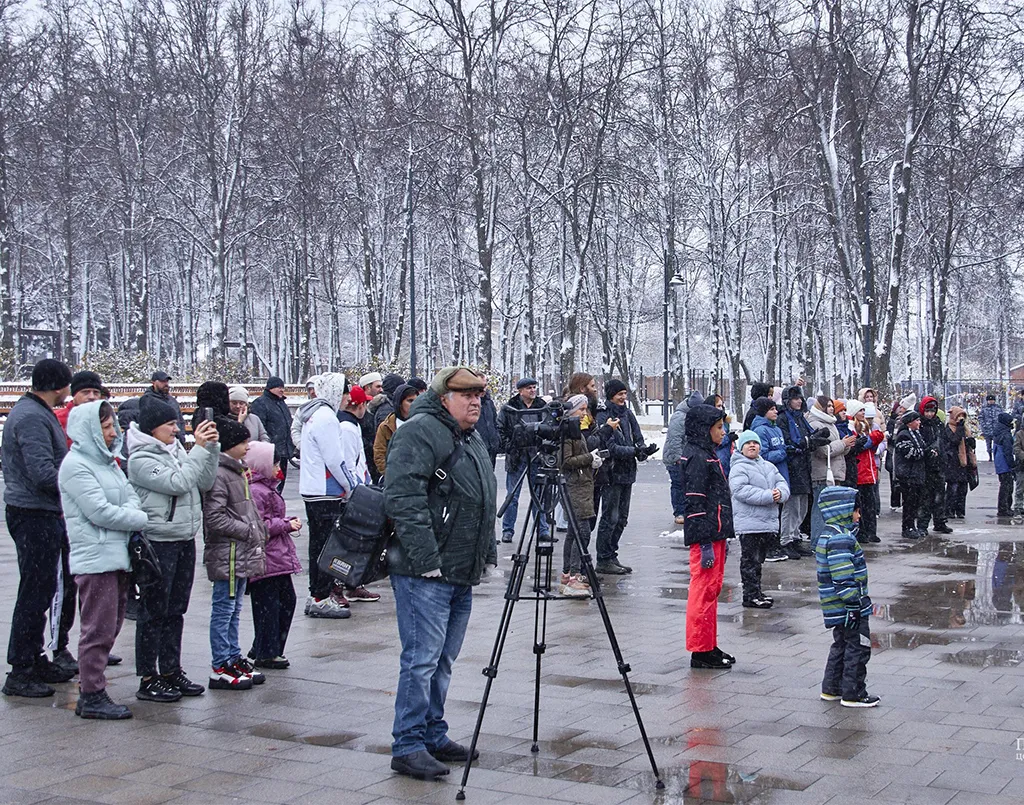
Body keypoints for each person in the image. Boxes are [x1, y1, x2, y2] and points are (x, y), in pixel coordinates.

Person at [384, 366, 497, 780]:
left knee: (442, 660)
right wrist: (426, 559)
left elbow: (483, 499)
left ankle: (433, 734)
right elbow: (403, 498)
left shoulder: (470, 436)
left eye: (479, 396)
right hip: (425, 574)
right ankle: (407, 744)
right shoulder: (419, 432)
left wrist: (485, 554)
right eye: (466, 395)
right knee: (421, 660)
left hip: (459, 569)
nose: (475, 402)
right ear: (444, 397)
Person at [127, 394, 219, 702]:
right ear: (153, 428)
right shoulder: (141, 459)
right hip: (158, 541)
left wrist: (211, 449)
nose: (177, 430)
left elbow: (203, 482)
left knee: (176, 609)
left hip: (183, 538)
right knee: (154, 610)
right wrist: (199, 450)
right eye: (170, 424)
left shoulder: (177, 449)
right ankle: (148, 676)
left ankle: (170, 669)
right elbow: (178, 482)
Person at [59, 400, 148, 719]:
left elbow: (130, 496)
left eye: (113, 426)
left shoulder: (108, 462)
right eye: (106, 427)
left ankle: (92, 688)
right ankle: (92, 693)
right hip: (96, 559)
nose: (113, 433)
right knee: (97, 629)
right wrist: (137, 518)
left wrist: (132, 512)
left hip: (117, 556)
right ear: (89, 430)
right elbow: (99, 511)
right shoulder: (75, 465)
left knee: (111, 625)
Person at [2, 359, 76, 698]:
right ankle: (20, 669)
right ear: (59, 386)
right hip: (33, 513)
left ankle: (34, 658)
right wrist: (78, 482)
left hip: (40, 512)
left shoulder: (35, 411)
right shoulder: (31, 417)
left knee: (43, 588)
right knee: (35, 590)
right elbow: (43, 473)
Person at [201, 417, 266, 690]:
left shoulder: (237, 471)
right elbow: (214, 517)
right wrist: (248, 530)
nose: (248, 446)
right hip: (227, 553)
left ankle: (232, 656)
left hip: (238, 552)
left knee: (235, 608)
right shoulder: (220, 474)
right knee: (224, 609)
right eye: (243, 442)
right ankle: (220, 664)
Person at [298, 373, 359, 618]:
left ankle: (317, 593)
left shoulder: (314, 414)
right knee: (325, 548)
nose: (347, 399)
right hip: (325, 491)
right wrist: (351, 486)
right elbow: (335, 459)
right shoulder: (326, 418)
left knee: (318, 545)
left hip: (315, 489)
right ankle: (321, 596)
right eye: (345, 393)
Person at [815, 485, 878, 708]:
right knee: (858, 648)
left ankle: (832, 688)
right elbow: (842, 575)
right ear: (842, 511)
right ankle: (853, 692)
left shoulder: (829, 534)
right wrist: (853, 603)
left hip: (836, 606)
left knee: (841, 645)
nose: (859, 516)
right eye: (855, 511)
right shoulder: (841, 538)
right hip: (849, 606)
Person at [683, 403, 735, 669]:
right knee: (703, 591)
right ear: (705, 430)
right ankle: (700, 650)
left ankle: (708, 644)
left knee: (711, 590)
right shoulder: (697, 457)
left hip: (715, 531)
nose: (723, 432)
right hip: (706, 534)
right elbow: (694, 502)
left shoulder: (706, 453)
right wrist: (703, 541)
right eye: (718, 427)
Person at [245, 442, 302, 669]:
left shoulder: (266, 487)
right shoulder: (257, 491)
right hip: (266, 558)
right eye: (275, 464)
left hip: (275, 557)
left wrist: (285, 523)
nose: (279, 468)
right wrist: (286, 525)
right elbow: (259, 526)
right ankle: (267, 652)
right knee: (270, 605)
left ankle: (265, 647)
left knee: (281, 602)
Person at [594, 379, 657, 574]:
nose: (623, 397)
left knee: (622, 518)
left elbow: (637, 437)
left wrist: (643, 450)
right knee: (610, 517)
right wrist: (634, 451)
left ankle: (612, 554)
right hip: (612, 473)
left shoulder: (627, 414)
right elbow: (610, 447)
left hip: (627, 473)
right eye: (619, 394)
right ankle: (603, 558)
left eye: (624, 393)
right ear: (611, 395)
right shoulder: (604, 415)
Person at [729, 431, 789, 609]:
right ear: (741, 448)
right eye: (748, 443)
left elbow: (782, 483)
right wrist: (768, 495)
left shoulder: (769, 466)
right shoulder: (739, 467)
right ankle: (750, 595)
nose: (752, 446)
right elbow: (740, 490)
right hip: (749, 524)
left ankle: (757, 591)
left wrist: (780, 493)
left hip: (767, 523)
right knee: (750, 560)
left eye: (755, 443)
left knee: (759, 560)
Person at [337, 386, 381, 604]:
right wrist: (356, 488)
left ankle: (352, 583)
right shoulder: (347, 428)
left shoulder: (351, 425)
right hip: (353, 492)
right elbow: (348, 462)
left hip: (359, 488)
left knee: (355, 541)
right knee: (349, 541)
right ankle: (343, 584)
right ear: (360, 405)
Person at [776, 386, 828, 559]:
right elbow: (788, 443)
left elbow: (806, 438)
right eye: (795, 398)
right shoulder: (784, 418)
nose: (799, 401)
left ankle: (795, 537)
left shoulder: (800, 418)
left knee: (802, 505)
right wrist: (807, 442)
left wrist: (816, 438)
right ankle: (786, 540)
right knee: (791, 506)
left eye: (800, 398)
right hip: (792, 466)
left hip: (803, 466)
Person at [559, 394, 602, 598]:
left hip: (581, 486)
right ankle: (574, 575)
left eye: (586, 409)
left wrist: (592, 461)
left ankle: (567, 574)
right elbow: (566, 461)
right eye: (581, 409)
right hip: (574, 487)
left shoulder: (576, 431)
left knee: (573, 532)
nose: (585, 413)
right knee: (581, 531)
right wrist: (589, 458)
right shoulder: (568, 432)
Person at [496, 377, 548, 543]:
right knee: (512, 496)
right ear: (520, 391)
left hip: (537, 457)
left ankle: (542, 529)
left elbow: (549, 427)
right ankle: (508, 530)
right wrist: (510, 446)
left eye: (534, 387)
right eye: (529, 388)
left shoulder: (542, 406)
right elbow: (500, 429)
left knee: (538, 496)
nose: (532, 390)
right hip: (516, 458)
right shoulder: (509, 408)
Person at [807, 397, 856, 546]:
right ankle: (817, 541)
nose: (831, 409)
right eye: (827, 406)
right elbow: (823, 451)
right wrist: (842, 443)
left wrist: (846, 444)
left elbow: (837, 450)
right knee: (820, 509)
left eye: (832, 406)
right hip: (822, 473)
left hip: (834, 473)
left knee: (831, 510)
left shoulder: (831, 423)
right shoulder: (815, 424)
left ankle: (828, 539)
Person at [750, 397, 789, 563]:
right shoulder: (760, 430)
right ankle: (768, 547)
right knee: (769, 513)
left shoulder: (776, 428)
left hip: (780, 473)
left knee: (777, 513)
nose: (776, 412)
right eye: (772, 409)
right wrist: (783, 452)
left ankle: (774, 544)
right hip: (768, 475)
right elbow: (763, 455)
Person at [664, 391, 705, 525]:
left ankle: (685, 510)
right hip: (676, 459)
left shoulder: (691, 415)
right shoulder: (679, 417)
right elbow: (674, 439)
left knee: (685, 485)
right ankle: (679, 512)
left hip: (685, 457)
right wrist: (678, 458)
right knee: (678, 485)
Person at [250, 376, 294, 491]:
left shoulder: (281, 403)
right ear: (270, 388)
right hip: (269, 452)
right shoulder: (260, 403)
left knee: (280, 482)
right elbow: (259, 427)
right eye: (278, 387)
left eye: (282, 387)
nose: (281, 390)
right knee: (269, 484)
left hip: (283, 451)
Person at [917, 397, 952, 534]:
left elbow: (944, 441)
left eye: (932, 411)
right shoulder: (921, 425)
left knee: (940, 496)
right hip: (926, 466)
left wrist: (943, 456)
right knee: (926, 498)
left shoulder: (938, 424)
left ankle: (940, 521)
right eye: (927, 411)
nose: (930, 414)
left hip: (939, 464)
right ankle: (923, 525)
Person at [892, 411, 927, 539]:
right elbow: (910, 454)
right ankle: (907, 527)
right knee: (909, 503)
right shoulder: (903, 435)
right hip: (907, 475)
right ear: (910, 422)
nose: (919, 422)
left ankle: (912, 526)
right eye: (917, 420)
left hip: (916, 474)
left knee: (915, 502)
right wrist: (926, 452)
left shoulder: (916, 433)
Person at [374, 384, 421, 478]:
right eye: (410, 401)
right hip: (393, 477)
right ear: (399, 403)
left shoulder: (422, 424)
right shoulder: (386, 427)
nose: (414, 404)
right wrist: (391, 475)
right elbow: (379, 454)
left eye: (416, 401)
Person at [940, 406, 972, 520]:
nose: (961, 419)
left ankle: (960, 510)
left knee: (963, 488)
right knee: (953, 487)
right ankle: (949, 510)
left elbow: (970, 445)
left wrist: (970, 441)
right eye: (958, 416)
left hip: (963, 462)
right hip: (952, 461)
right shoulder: (949, 428)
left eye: (962, 416)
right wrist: (960, 428)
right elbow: (955, 440)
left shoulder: (965, 429)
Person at [142, 371, 185, 445]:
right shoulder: (147, 401)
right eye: (162, 381)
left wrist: (181, 438)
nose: (166, 384)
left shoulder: (172, 400)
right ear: (153, 383)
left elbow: (180, 420)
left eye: (167, 381)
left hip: (175, 443)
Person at [358, 372, 385, 482]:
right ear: (367, 388)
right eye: (377, 386)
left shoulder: (381, 405)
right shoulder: (359, 411)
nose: (381, 390)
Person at [993, 412, 1016, 517]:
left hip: (1000, 463)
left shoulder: (998, 431)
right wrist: (1012, 465)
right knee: (1007, 487)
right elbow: (1008, 452)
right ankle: (1004, 508)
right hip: (1005, 464)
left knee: (1004, 486)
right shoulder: (1006, 434)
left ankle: (1003, 508)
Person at [979, 394, 1000, 462]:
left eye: (992, 400)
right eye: (989, 400)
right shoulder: (984, 408)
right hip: (987, 429)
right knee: (988, 445)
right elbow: (980, 418)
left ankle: (996, 457)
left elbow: (1002, 417)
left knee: (996, 444)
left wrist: (1000, 426)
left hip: (996, 429)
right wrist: (983, 426)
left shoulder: (998, 408)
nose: (991, 401)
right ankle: (990, 456)